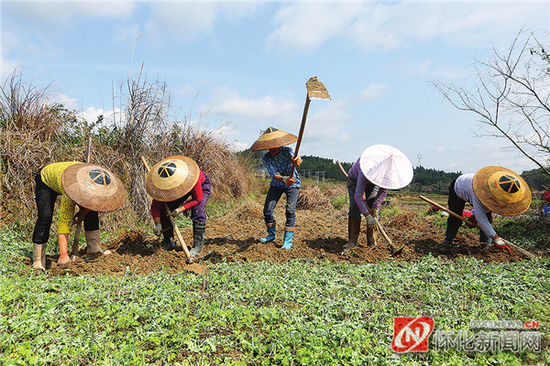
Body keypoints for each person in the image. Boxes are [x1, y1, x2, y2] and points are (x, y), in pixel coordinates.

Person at [32, 162, 126, 270]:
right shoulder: (70, 190)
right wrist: (63, 255)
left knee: (92, 211)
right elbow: (64, 222)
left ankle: (94, 248)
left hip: (70, 179)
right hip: (46, 180)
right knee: (45, 217)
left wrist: (82, 213)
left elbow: (93, 203)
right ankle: (38, 260)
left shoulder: (91, 176)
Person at [438, 166, 531, 251]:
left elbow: (486, 210)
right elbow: (481, 219)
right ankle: (449, 240)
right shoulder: (479, 190)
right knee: (455, 216)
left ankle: (485, 244)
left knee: (488, 217)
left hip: (470, 190)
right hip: (459, 187)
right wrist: (497, 239)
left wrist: (474, 216)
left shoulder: (496, 192)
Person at [344, 144, 413, 249]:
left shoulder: (387, 175)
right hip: (355, 179)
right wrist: (367, 215)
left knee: (373, 209)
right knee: (354, 206)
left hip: (374, 183)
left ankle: (372, 242)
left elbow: (383, 191)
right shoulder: (365, 169)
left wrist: (375, 207)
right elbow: (358, 196)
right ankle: (352, 241)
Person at [146, 155, 210, 256]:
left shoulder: (192, 176)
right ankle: (169, 242)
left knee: (197, 210)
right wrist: (158, 224)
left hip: (200, 184)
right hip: (175, 188)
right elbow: (155, 207)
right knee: (164, 210)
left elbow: (198, 199)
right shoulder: (161, 186)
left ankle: (197, 246)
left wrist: (180, 210)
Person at [250, 127, 301, 249]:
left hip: (292, 184)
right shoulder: (266, 158)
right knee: (267, 210)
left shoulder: (287, 151)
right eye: (269, 146)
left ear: (279, 144)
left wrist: (297, 161)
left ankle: (287, 241)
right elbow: (274, 174)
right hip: (277, 185)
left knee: (290, 211)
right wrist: (284, 179)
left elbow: (297, 159)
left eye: (274, 145)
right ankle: (271, 234)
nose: (272, 149)